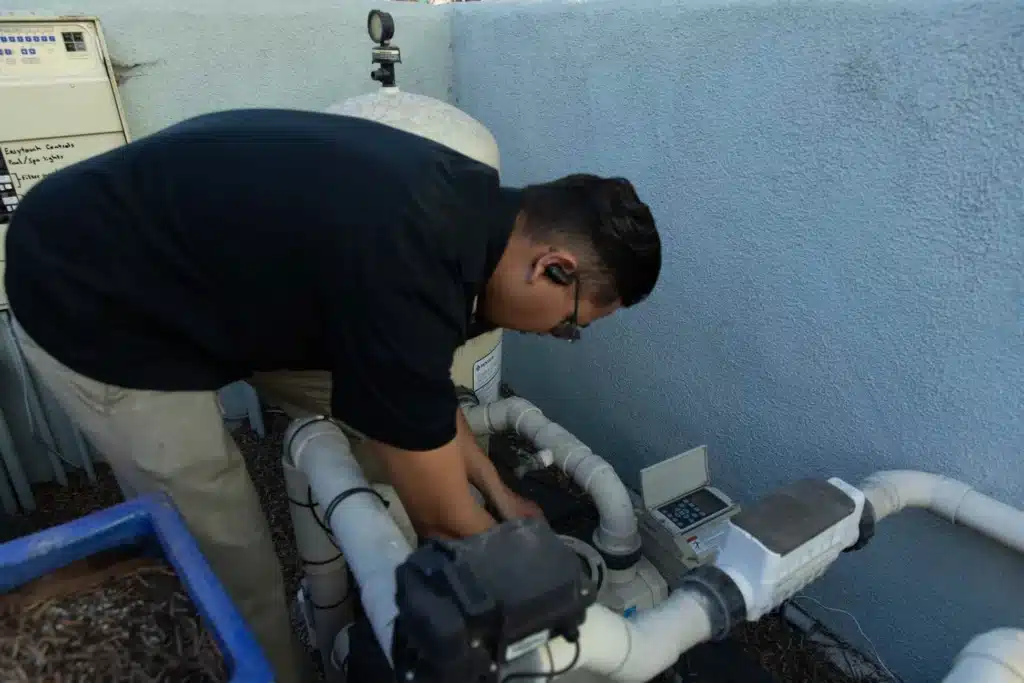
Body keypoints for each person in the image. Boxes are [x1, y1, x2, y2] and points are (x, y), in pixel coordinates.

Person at [3, 108, 662, 682]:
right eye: (569, 323)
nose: (556, 333)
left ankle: (352, 571)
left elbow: (419, 394)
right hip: (91, 292)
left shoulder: (471, 206)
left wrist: (503, 493)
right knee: (231, 554)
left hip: (211, 277)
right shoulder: (409, 268)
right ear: (553, 266)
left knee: (410, 435)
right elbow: (442, 518)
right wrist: (548, 594)